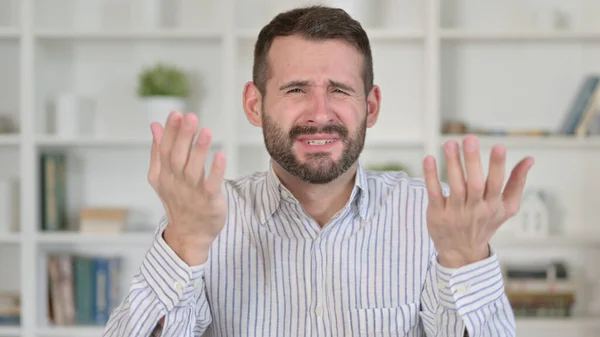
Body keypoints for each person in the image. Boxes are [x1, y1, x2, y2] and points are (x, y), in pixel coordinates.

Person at [102, 5, 533, 337]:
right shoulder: (203, 218)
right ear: (255, 105)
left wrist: (464, 262)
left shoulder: (431, 217)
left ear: (373, 105)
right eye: (296, 90)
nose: (320, 113)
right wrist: (184, 244)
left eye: (340, 90)